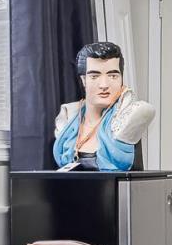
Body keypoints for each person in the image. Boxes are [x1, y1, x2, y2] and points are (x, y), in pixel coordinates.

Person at [51, 41, 156, 171]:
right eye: (95, 76)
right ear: (84, 80)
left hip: (117, 190)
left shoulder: (128, 118)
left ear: (121, 78)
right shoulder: (67, 121)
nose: (104, 85)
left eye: (112, 76)